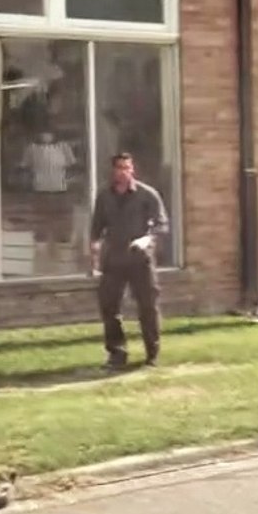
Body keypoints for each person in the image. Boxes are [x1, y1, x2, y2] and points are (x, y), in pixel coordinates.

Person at [89, 152, 169, 369]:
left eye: (127, 168)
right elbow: (97, 226)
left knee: (148, 306)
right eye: (120, 168)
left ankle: (152, 354)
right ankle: (117, 353)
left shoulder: (147, 194)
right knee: (109, 306)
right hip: (113, 259)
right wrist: (94, 248)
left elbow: (162, 224)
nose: (124, 173)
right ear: (113, 171)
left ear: (132, 169)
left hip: (140, 259)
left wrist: (147, 239)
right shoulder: (104, 196)